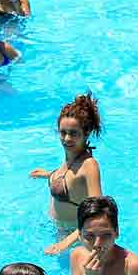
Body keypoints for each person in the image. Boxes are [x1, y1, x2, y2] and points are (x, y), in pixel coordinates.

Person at [37, 94, 104, 254]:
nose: (67, 138)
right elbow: (71, 179)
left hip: (74, 238)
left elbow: (98, 211)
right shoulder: (71, 158)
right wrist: (50, 175)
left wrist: (65, 243)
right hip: (57, 230)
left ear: (86, 133)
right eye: (63, 132)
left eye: (73, 133)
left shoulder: (89, 165)